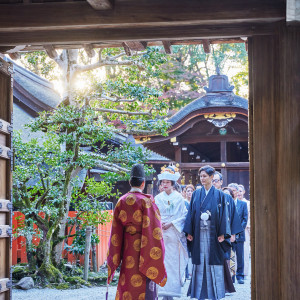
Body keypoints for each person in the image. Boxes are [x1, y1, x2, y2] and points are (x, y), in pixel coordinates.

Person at [107, 164, 167, 300]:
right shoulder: (147, 202)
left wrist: (116, 255)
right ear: (143, 183)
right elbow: (155, 231)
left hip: (128, 247)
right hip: (145, 248)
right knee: (145, 277)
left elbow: (115, 233)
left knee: (127, 279)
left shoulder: (121, 201)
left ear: (130, 182)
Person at [184, 165, 231, 300]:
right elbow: (191, 214)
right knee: (199, 262)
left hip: (214, 233)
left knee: (213, 262)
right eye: (201, 176)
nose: (202, 178)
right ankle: (199, 294)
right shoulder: (196, 194)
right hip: (198, 232)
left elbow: (224, 214)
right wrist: (189, 231)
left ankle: (215, 294)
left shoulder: (220, 195)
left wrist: (223, 233)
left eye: (205, 176)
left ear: (211, 177)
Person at [155, 164, 188, 300]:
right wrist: (159, 223)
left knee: (173, 263)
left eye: (167, 182)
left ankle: (172, 292)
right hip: (161, 233)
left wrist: (171, 223)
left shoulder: (179, 198)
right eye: (163, 182)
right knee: (161, 262)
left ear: (173, 183)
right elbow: (154, 214)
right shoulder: (157, 198)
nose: (165, 184)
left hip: (174, 235)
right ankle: (162, 291)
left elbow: (184, 216)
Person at [228, 183, 248, 284]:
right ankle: (231, 276)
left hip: (239, 235)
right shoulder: (226, 203)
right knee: (229, 256)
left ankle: (240, 275)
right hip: (227, 234)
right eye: (230, 191)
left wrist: (237, 231)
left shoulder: (243, 204)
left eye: (234, 191)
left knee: (240, 255)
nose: (232, 193)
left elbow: (245, 219)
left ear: (236, 192)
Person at [238, 184, 250, 278]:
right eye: (237, 191)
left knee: (244, 251)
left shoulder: (247, 203)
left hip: (245, 228)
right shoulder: (234, 203)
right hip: (234, 230)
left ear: (244, 192)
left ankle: (244, 271)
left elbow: (247, 217)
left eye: (240, 191)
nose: (239, 193)